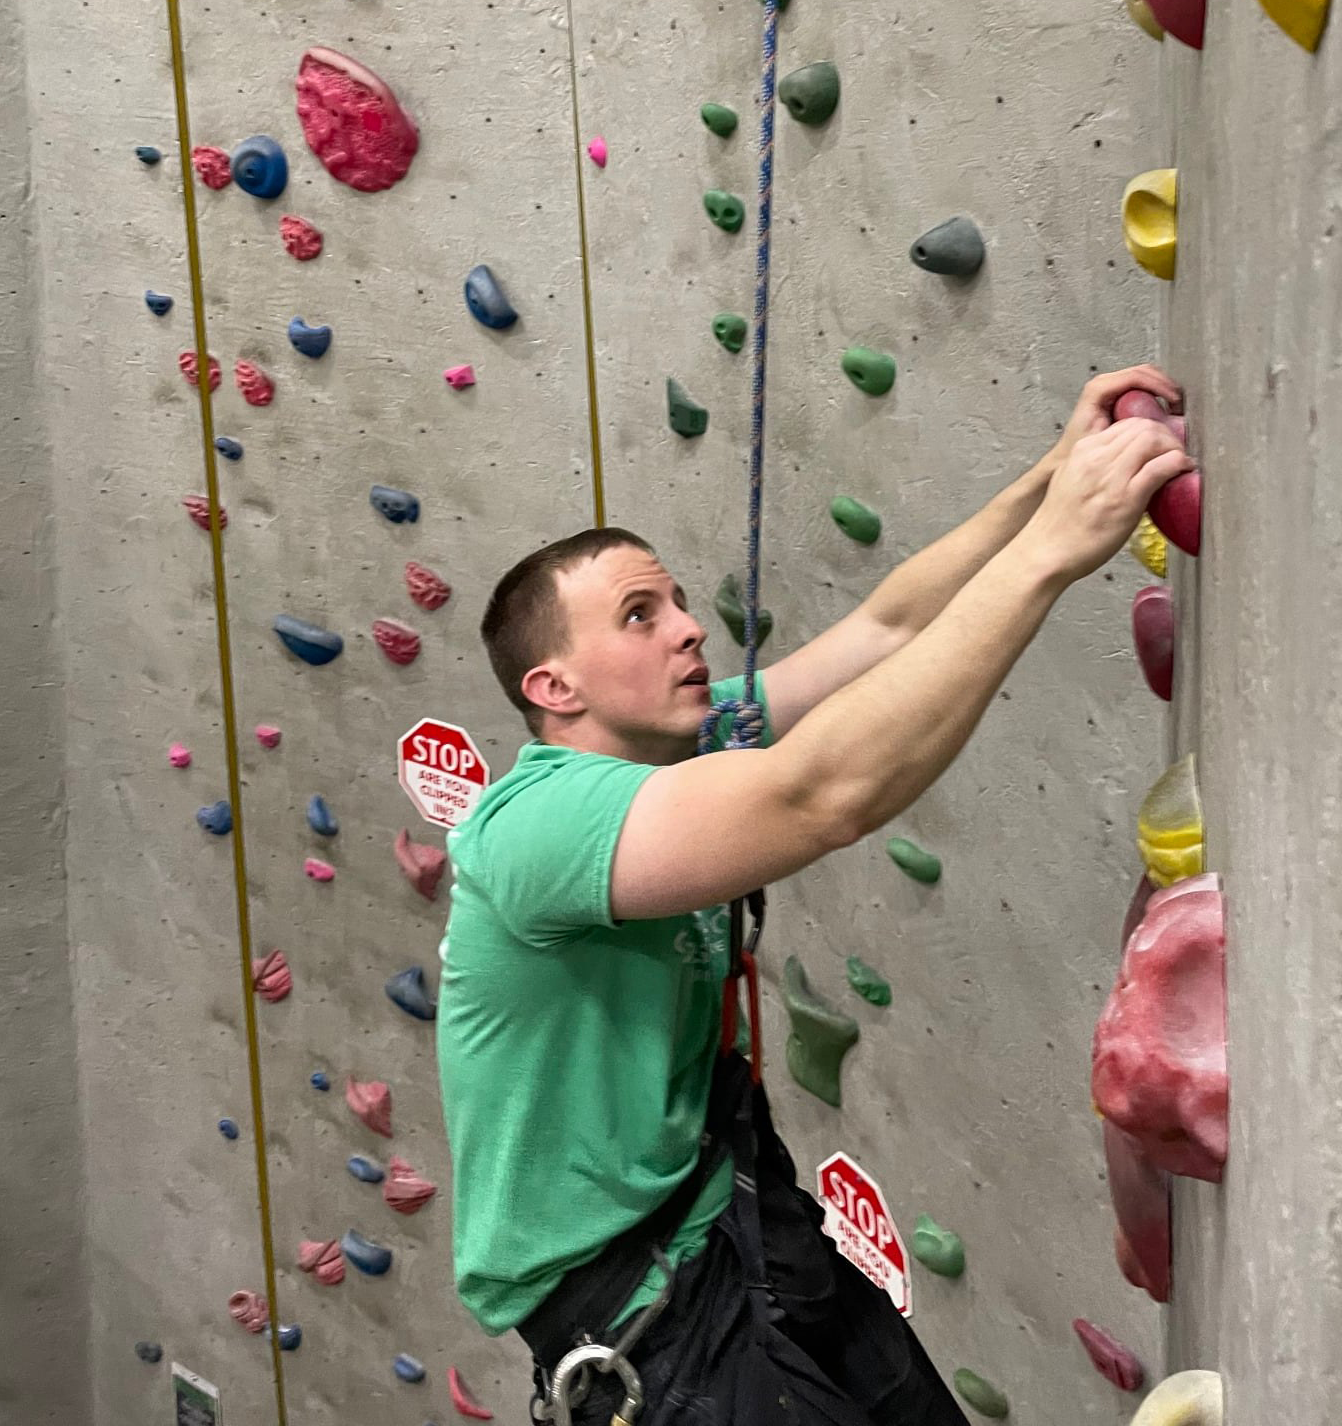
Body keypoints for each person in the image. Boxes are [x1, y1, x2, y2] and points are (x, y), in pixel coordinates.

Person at [436, 366, 1191, 1425]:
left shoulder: (688, 749)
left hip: (737, 1220)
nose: (689, 629)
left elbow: (887, 630)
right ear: (552, 689)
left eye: (680, 602)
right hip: (649, 1309)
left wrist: (1050, 479)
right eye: (639, 615)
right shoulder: (536, 827)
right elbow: (821, 795)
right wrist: (1057, 549)